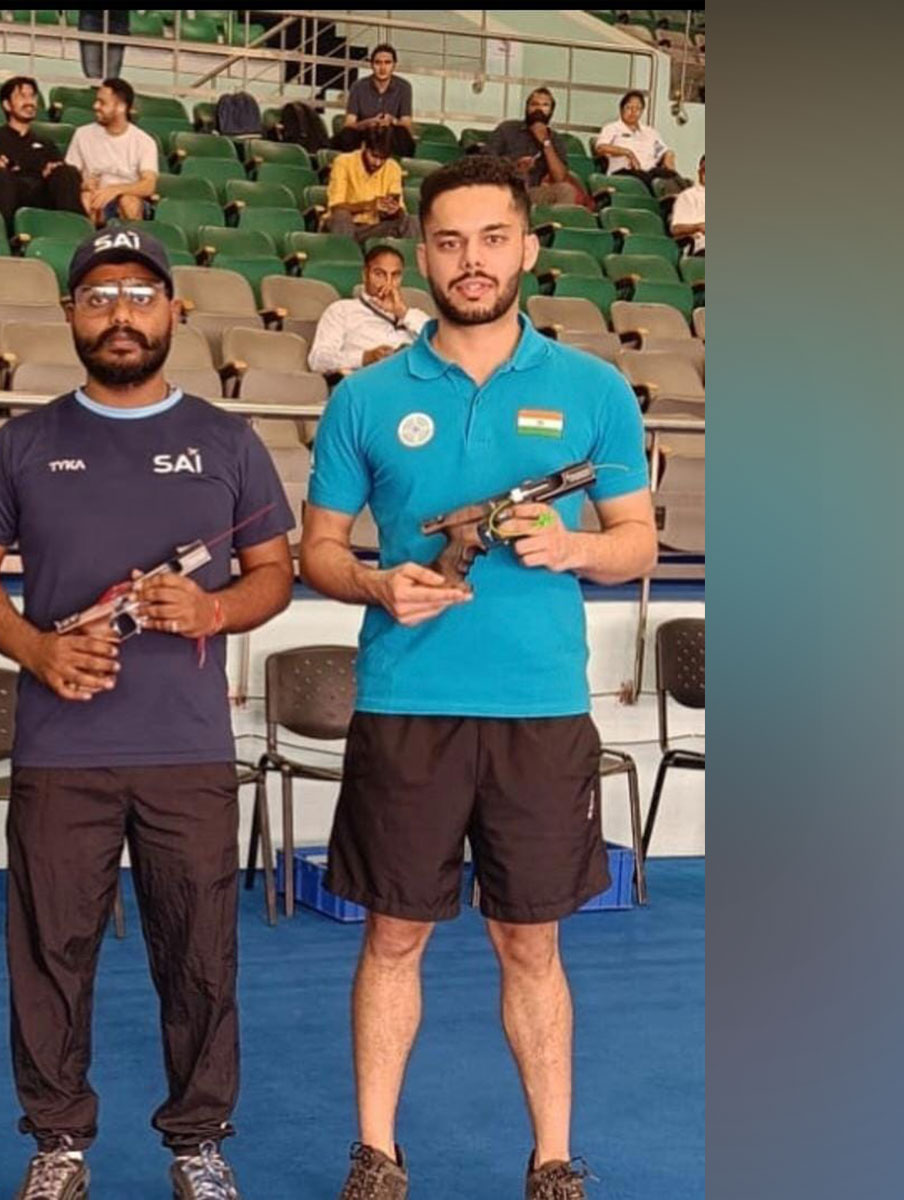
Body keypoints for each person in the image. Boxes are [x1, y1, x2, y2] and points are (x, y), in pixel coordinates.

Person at [299, 154, 657, 1200]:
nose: (471, 260)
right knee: (394, 932)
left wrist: (572, 548)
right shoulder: (365, 398)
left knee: (530, 943)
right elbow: (318, 549)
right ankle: (376, 1154)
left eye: (492, 238)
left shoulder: (591, 389)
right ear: (421, 254)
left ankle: (551, 1160)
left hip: (538, 710)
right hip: (406, 701)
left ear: (528, 248)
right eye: (449, 241)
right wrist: (379, 585)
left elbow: (635, 539)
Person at [0, 227, 295, 1200]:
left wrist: (215, 608)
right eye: (98, 296)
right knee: (49, 953)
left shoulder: (228, 441)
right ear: (68, 316)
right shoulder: (23, 443)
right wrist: (38, 648)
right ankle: (57, 1141)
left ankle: (198, 1144)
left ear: (174, 310)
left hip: (185, 751)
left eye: (141, 296)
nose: (121, 315)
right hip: (60, 751)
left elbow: (276, 572)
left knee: (199, 954)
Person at [0, 76, 86, 235]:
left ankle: (74, 235)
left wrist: (53, 170)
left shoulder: (46, 143)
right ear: (7, 105)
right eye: (22, 96)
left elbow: (59, 171)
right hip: (9, 191)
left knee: (67, 173)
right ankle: (4, 237)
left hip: (41, 195)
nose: (29, 102)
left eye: (32, 96)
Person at [307, 244, 429, 374]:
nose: (388, 282)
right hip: (366, 383)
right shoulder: (342, 310)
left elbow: (443, 345)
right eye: (379, 274)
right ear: (365, 275)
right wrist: (364, 358)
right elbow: (318, 360)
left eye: (395, 275)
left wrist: (402, 312)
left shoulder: (413, 317)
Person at [64, 78, 158, 225]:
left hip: (126, 199)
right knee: (86, 199)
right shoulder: (82, 134)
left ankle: (130, 246)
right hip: (95, 197)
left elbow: (149, 185)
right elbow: (68, 176)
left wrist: (115, 190)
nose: (95, 106)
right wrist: (83, 184)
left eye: (102, 102)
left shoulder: (144, 141)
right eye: (97, 101)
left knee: (129, 202)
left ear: (121, 107)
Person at [484, 88, 581, 207]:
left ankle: (553, 225)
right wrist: (514, 167)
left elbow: (559, 177)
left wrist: (545, 142)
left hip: (532, 192)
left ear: (551, 111)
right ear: (527, 108)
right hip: (504, 189)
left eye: (545, 105)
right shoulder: (507, 129)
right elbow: (486, 163)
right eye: (534, 104)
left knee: (565, 190)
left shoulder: (555, 139)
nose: (539, 109)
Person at [325, 126, 419, 243]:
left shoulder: (393, 168)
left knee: (412, 221)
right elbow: (336, 206)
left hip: (374, 228)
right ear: (364, 146)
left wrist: (393, 211)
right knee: (341, 216)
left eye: (383, 158)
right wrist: (371, 205)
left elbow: (400, 211)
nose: (378, 163)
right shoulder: (343, 162)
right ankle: (346, 255)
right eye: (374, 156)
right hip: (345, 225)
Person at [594, 90, 685, 197]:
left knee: (675, 177)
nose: (633, 112)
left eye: (638, 108)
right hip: (623, 172)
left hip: (649, 172)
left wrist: (669, 155)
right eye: (629, 107)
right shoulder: (612, 128)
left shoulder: (650, 132)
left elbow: (663, 151)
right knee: (648, 180)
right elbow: (600, 148)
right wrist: (628, 153)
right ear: (621, 109)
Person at [335, 43, 415, 156]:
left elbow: (406, 124)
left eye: (387, 63)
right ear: (372, 65)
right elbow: (349, 123)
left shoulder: (404, 87)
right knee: (346, 135)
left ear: (394, 65)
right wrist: (369, 122)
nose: (382, 68)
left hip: (390, 134)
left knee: (403, 136)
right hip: (365, 133)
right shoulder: (358, 86)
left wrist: (392, 120)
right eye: (378, 63)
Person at [76, 9, 130, 81]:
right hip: (90, 15)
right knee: (92, 71)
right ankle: (98, 90)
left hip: (118, 18)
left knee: (112, 74)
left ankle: (106, 90)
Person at [669, 154, 705, 255]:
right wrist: (697, 227)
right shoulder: (688, 196)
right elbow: (675, 229)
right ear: (700, 172)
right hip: (700, 245)